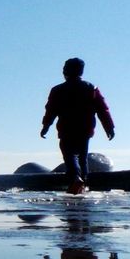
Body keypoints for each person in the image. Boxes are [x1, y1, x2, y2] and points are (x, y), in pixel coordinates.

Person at [40, 58, 114, 194]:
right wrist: (109, 128)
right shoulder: (91, 88)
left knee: (69, 155)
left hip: (66, 129)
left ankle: (76, 179)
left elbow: (51, 110)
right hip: (85, 129)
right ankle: (83, 184)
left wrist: (46, 126)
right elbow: (103, 109)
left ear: (65, 71)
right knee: (82, 156)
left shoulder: (58, 90)